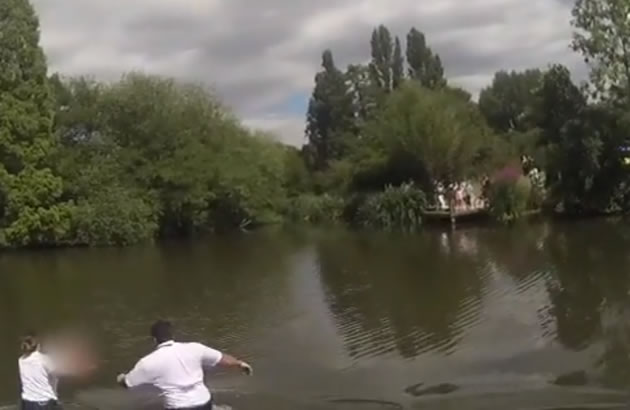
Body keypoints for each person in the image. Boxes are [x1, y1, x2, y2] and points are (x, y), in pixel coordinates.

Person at [116, 320, 253, 410]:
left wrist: (121, 378)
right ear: (172, 335)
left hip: (179, 407)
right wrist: (240, 364)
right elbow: (222, 359)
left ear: (154, 340)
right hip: (204, 402)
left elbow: (127, 383)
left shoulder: (147, 362)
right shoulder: (194, 348)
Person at [18, 331, 95, 410]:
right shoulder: (44, 359)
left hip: (27, 403)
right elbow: (60, 373)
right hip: (43, 403)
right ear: (38, 345)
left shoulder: (21, 360)